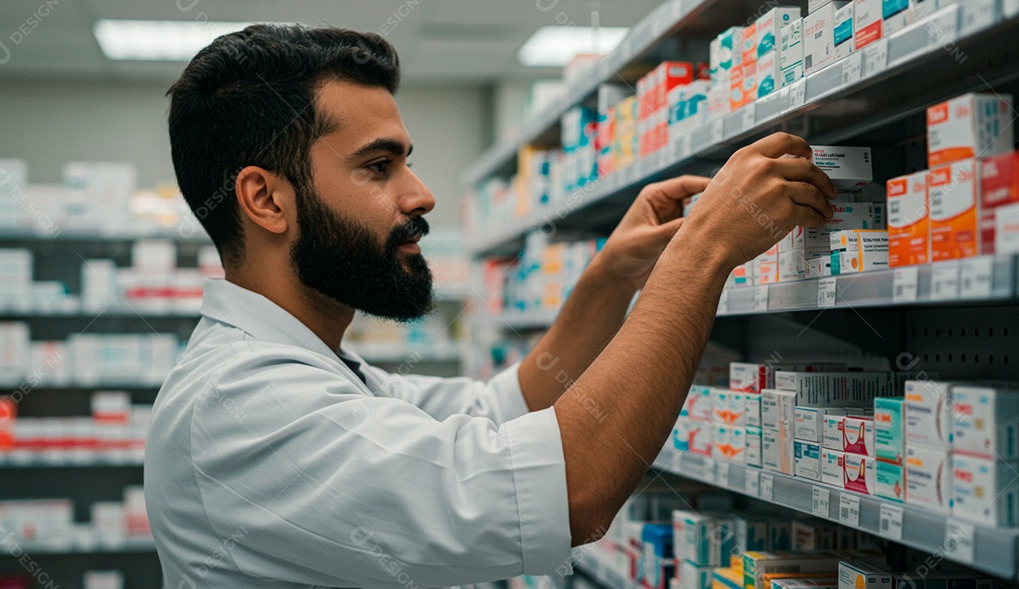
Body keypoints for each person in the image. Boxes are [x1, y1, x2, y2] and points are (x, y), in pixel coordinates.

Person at [146, 23, 837, 589]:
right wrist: (704, 250)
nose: (420, 194)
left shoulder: (316, 369)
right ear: (265, 199)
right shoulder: (243, 404)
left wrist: (611, 276)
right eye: (378, 166)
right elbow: (574, 489)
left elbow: (504, 410)